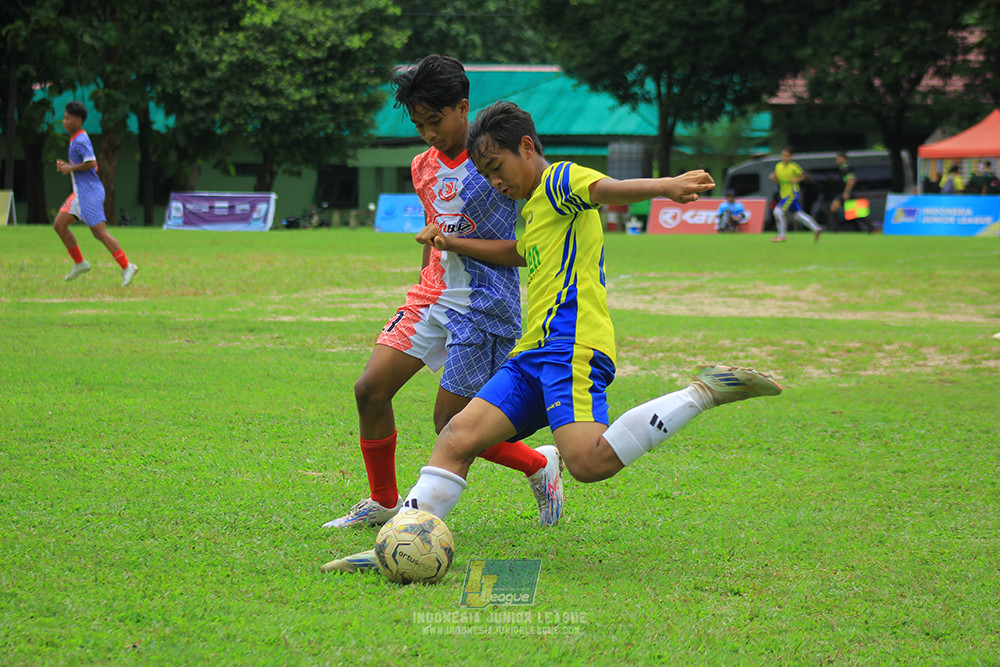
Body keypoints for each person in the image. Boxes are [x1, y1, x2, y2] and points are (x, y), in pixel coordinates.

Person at [322, 101, 781, 573]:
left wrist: (665, 186)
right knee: (457, 434)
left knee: (588, 463)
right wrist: (451, 242)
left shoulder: (560, 180)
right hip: (532, 352)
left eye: (497, 168)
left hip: (571, 347)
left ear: (526, 146)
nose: (495, 182)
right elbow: (519, 252)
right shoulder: (536, 208)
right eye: (486, 174)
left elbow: (606, 188)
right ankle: (396, 544)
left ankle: (703, 392)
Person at [320, 57, 563, 536]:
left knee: (451, 424)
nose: (429, 134)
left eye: (435, 120)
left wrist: (455, 245)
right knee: (370, 389)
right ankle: (382, 502)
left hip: (482, 305)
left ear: (463, 108)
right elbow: (435, 232)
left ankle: (539, 464)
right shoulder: (422, 166)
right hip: (431, 297)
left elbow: (527, 249)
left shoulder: (496, 160)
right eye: (419, 125)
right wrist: (422, 285)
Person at [54, 101, 138, 286]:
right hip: (79, 193)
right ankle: (80, 263)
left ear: (78, 120)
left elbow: (92, 163)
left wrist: (70, 168)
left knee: (100, 234)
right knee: (59, 225)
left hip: (89, 194)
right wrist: (68, 167)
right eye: (64, 118)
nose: (65, 121)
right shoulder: (75, 138)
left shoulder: (81, 140)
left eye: (68, 118)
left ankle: (127, 266)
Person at [768, 146, 822, 242]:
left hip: (791, 194)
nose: (784, 158)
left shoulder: (793, 167)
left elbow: (803, 176)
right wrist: (773, 178)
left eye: (787, 156)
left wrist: (795, 180)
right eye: (783, 155)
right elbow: (779, 181)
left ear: (790, 157)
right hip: (784, 194)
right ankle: (816, 228)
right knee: (797, 215)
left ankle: (781, 236)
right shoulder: (778, 166)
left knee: (777, 212)